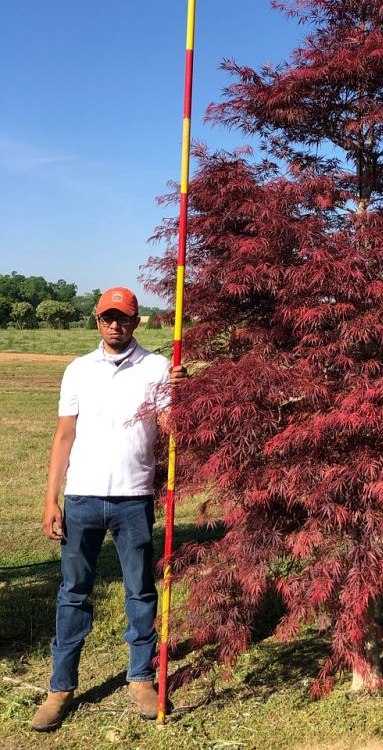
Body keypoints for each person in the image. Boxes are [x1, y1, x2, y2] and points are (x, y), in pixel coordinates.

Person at [31, 287, 187, 733]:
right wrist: (51, 499)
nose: (115, 325)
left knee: (140, 591)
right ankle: (60, 687)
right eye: (107, 317)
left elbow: (172, 432)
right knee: (73, 592)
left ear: (137, 321)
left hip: (134, 498)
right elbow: (64, 437)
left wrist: (182, 394)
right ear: (97, 321)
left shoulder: (158, 369)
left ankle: (141, 678)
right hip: (81, 498)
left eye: (123, 317)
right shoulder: (78, 370)